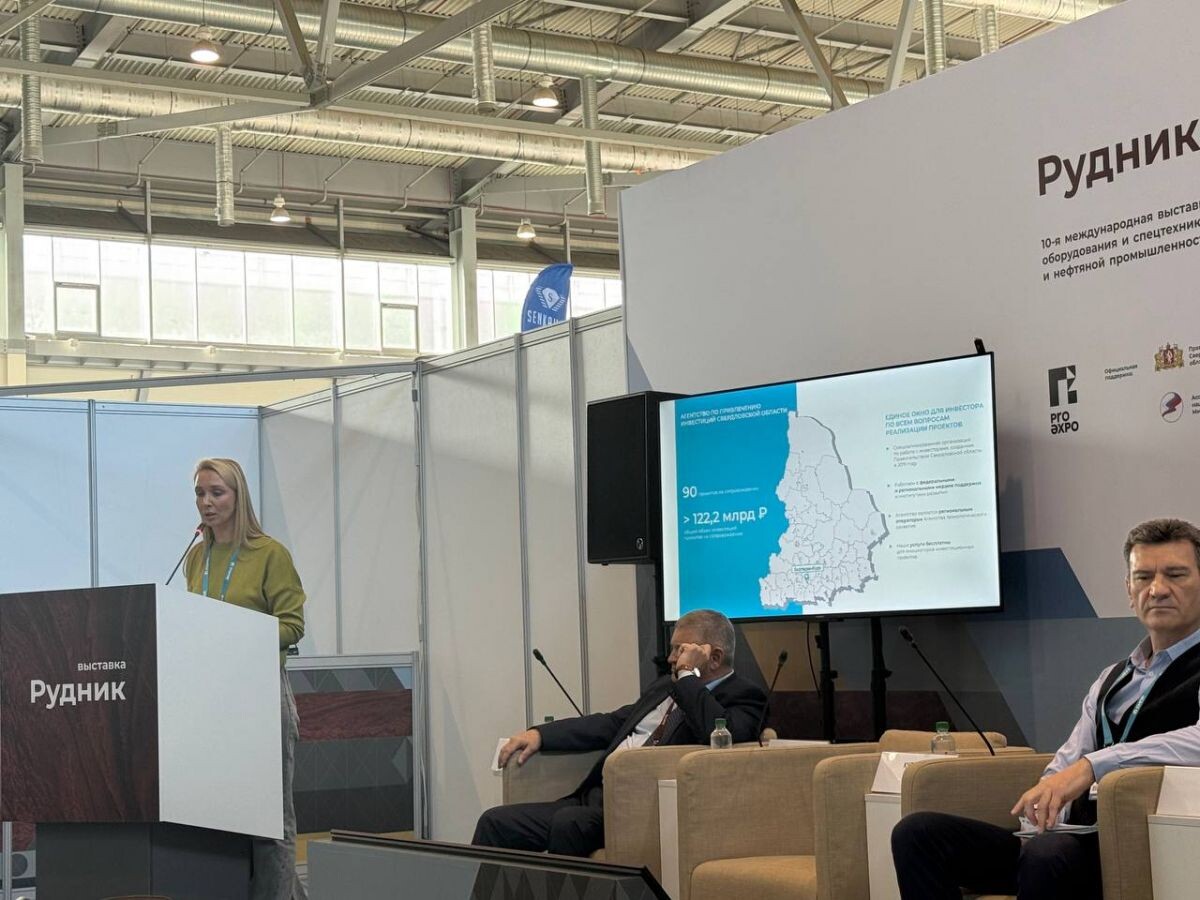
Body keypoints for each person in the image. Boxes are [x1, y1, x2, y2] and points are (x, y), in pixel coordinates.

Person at [891, 517, 1200, 900]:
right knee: (918, 834)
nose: (1157, 589)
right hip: (1070, 840)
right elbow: (1066, 761)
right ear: (1128, 590)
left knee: (1046, 855)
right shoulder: (1112, 677)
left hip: (1146, 846)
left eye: (1175, 575)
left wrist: (1093, 766)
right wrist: (1043, 806)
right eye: (1143, 577)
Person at [471, 608, 767, 858]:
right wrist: (540, 735)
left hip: (643, 810)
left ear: (714, 658)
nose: (672, 659)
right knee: (495, 822)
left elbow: (718, 733)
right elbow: (611, 723)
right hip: (594, 800)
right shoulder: (665, 685)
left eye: (681, 650)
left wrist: (688, 677)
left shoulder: (745, 696)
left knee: (569, 823)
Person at [184, 457, 308, 900]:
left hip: (261, 699)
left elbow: (293, 625)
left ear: (239, 498)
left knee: (270, 824)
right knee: (225, 819)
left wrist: (238, 635)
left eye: (217, 492)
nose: (206, 502)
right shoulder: (195, 557)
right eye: (200, 493)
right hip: (214, 703)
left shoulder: (270, 553)